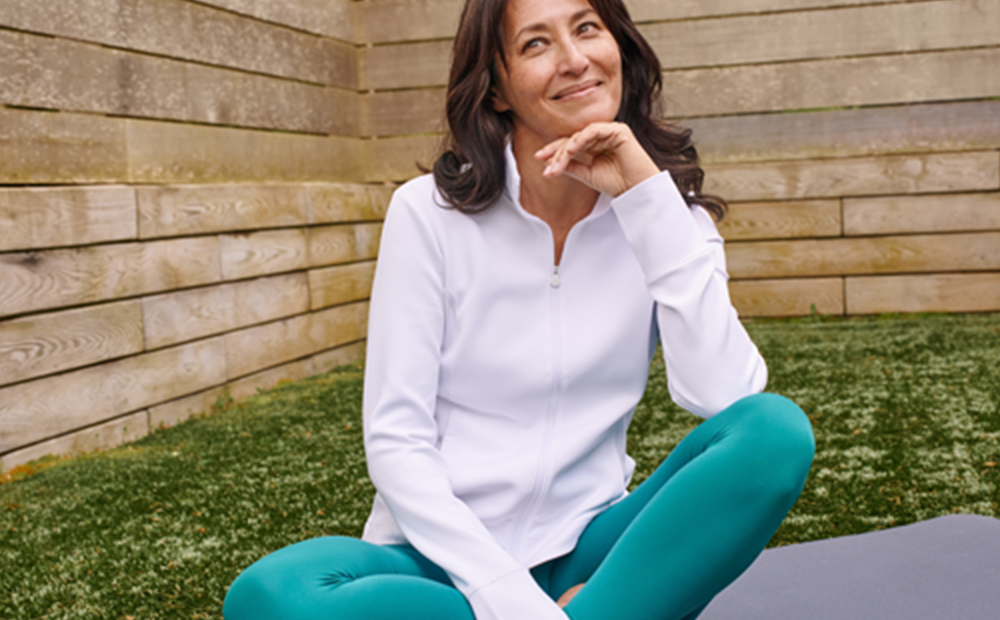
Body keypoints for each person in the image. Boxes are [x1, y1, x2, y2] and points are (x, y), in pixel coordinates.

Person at [222, 0, 815, 618]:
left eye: (587, 28)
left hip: (590, 547)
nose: (575, 59)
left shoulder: (669, 219)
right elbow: (397, 440)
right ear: (498, 87)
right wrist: (507, 596)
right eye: (536, 44)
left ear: (620, 46)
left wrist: (648, 202)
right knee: (272, 596)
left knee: (773, 432)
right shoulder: (428, 215)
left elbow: (725, 397)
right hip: (443, 564)